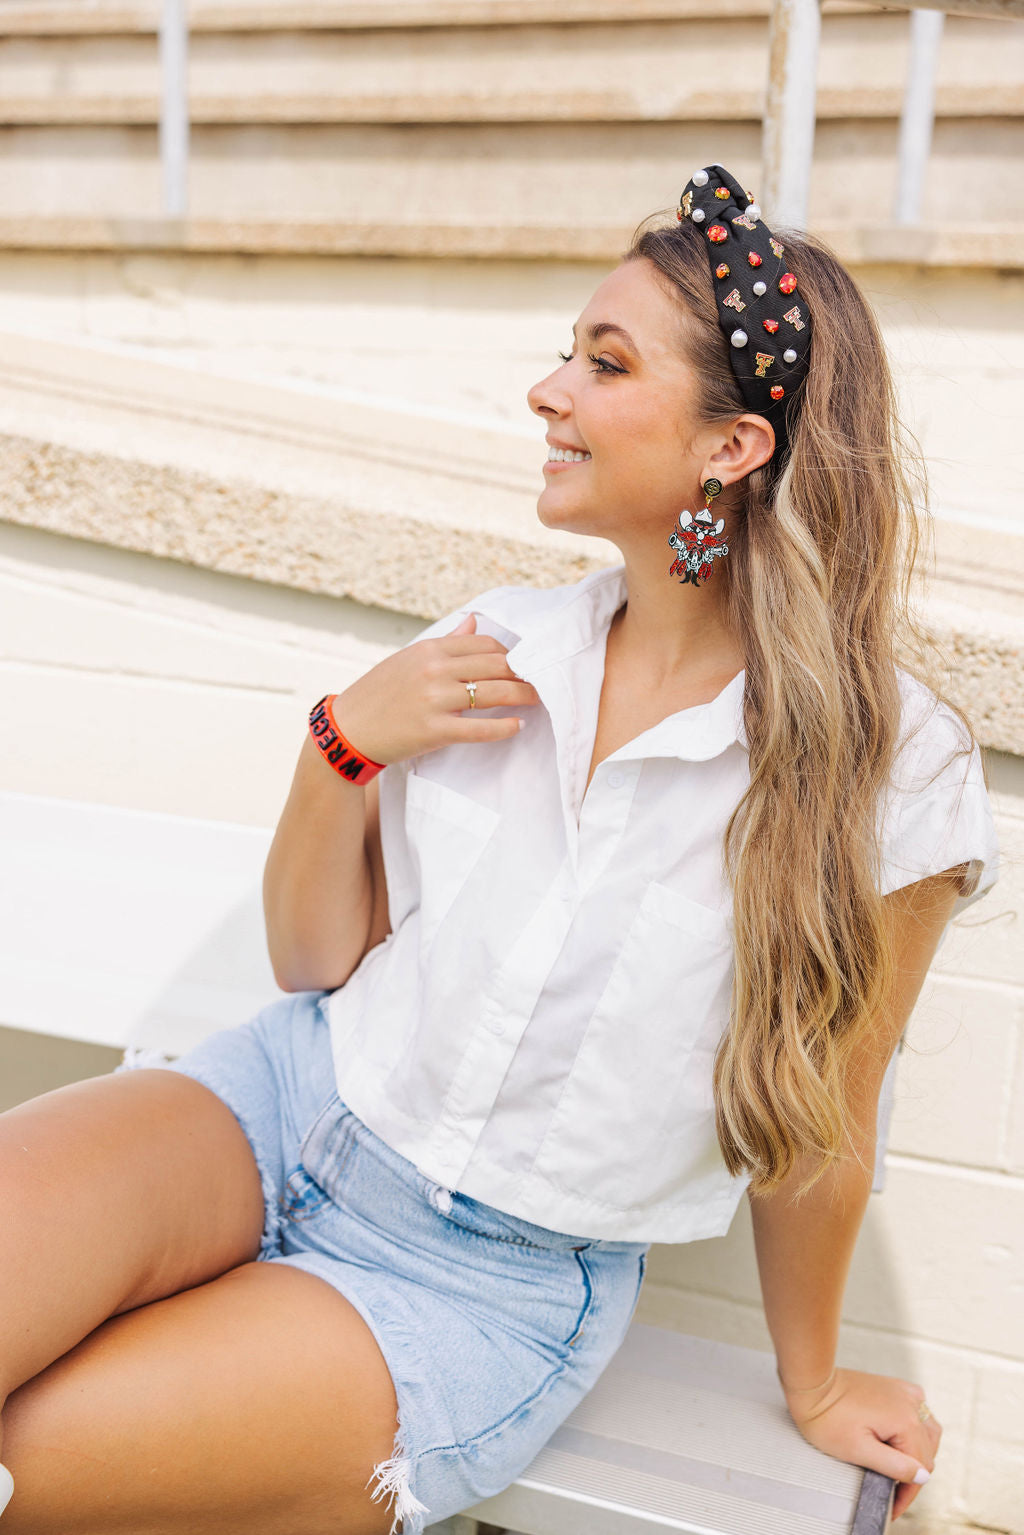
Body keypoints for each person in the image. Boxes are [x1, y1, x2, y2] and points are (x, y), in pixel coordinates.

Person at [0, 163, 1000, 1535]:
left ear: (733, 447)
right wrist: (340, 745)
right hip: (283, 1102)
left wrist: (815, 1381)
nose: (550, 392)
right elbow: (314, 961)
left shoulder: (892, 774)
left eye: (604, 364)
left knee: (26, 1460)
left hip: (478, 1291)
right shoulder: (495, 647)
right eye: (565, 355)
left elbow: (820, 1131)